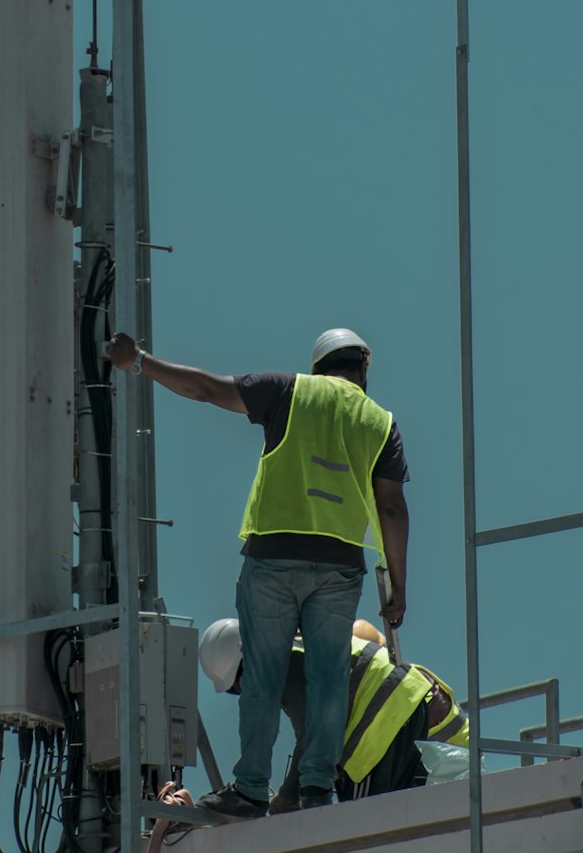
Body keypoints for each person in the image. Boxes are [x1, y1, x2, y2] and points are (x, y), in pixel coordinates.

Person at [104, 325, 410, 819]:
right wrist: (397, 583)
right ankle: (317, 789)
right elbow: (392, 508)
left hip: (274, 558)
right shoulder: (380, 422)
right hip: (339, 566)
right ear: (363, 367)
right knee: (328, 679)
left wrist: (139, 360)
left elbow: (205, 387)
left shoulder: (289, 391)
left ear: (319, 367)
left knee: (264, 677)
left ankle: (249, 790)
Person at [198, 616, 467, 812]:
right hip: (402, 705)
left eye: (238, 683)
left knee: (364, 828)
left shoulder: (285, 666)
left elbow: (314, 736)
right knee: (396, 821)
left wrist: (287, 797)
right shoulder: (298, 647)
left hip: (384, 723)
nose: (244, 693)